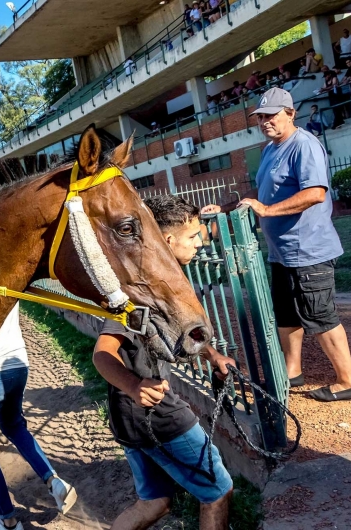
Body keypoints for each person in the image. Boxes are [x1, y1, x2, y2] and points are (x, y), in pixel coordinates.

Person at [216, 87, 351, 402]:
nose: (265, 121)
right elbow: (263, 195)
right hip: (281, 252)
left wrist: (268, 211)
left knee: (320, 314)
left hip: (308, 251)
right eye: (261, 117)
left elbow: (315, 193)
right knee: (286, 315)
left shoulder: (304, 146)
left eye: (271, 115)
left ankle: (348, 381)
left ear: (290, 113)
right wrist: (228, 208)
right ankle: (292, 371)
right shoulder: (270, 149)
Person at [96, 195, 235, 530]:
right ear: (168, 241)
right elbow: (102, 352)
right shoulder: (141, 293)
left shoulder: (166, 287)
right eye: (193, 237)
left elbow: (179, 334)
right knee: (218, 491)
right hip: (153, 412)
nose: (200, 243)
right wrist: (133, 385)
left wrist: (212, 354)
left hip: (128, 415)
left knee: (154, 502)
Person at [0, 303, 77, 530]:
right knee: (14, 427)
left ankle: (8, 521)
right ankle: (54, 481)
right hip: (18, 362)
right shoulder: (2, 268)